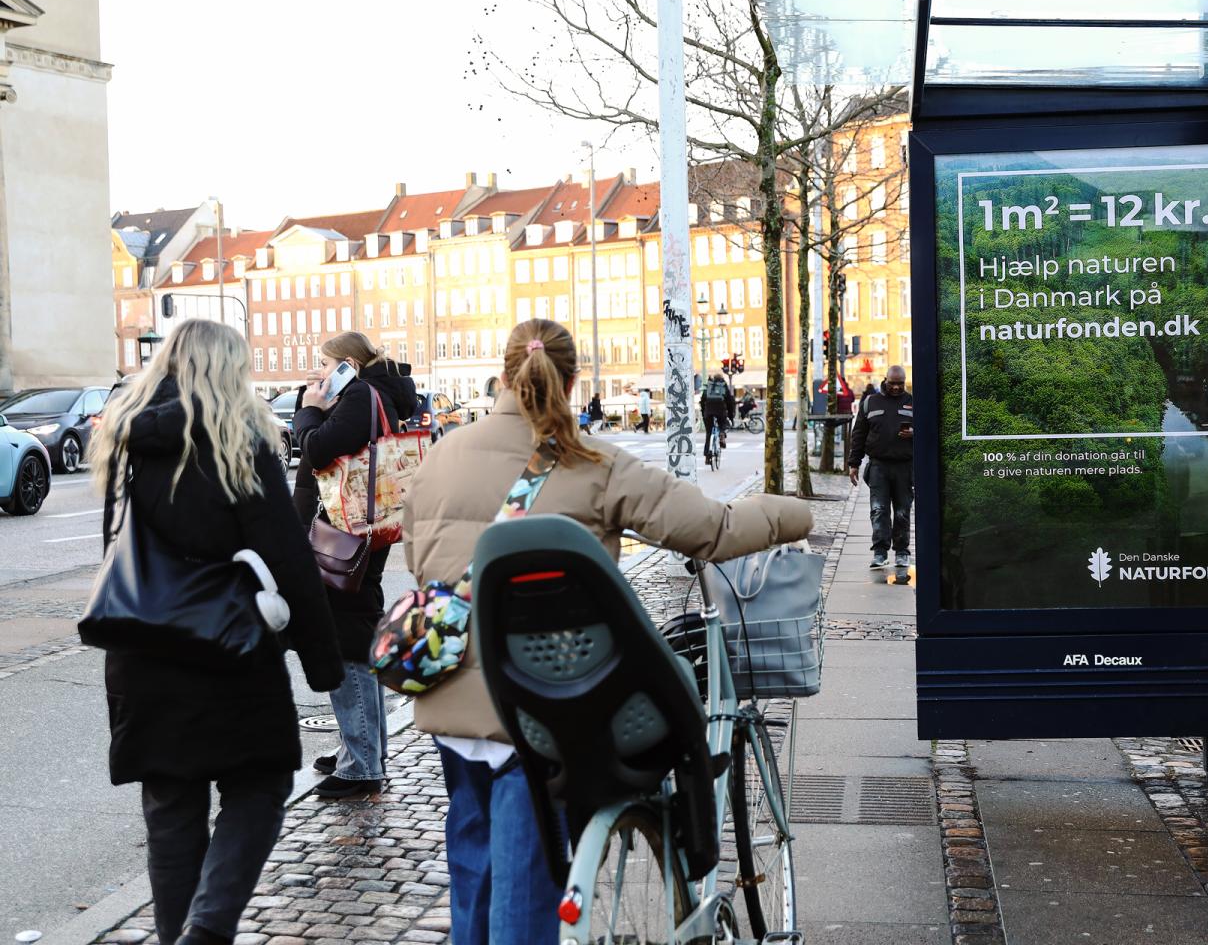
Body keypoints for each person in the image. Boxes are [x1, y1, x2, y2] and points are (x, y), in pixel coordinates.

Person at [403, 319, 812, 945]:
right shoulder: (593, 463)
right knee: (526, 898)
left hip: (453, 707)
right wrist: (793, 514)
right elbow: (712, 529)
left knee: (475, 878)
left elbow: (419, 560)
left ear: (504, 376)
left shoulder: (441, 456)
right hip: (544, 709)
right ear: (569, 382)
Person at [91, 319, 343, 945]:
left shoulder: (125, 439)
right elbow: (287, 559)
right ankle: (206, 930)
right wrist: (322, 662)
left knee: (172, 809)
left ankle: (185, 935)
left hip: (142, 648)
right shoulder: (240, 439)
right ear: (233, 369)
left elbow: (118, 546)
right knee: (260, 784)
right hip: (229, 649)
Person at [292, 331, 418, 799]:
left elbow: (318, 449)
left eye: (325, 365)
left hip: (348, 531)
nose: (320, 373)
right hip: (363, 527)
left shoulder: (360, 394)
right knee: (355, 634)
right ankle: (360, 748)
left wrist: (309, 412)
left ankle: (362, 761)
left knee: (345, 639)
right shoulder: (376, 393)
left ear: (347, 364)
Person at [848, 365, 914, 569]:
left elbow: (929, 430)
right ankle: (880, 552)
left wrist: (914, 433)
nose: (896, 387)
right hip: (878, 466)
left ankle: (902, 552)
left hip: (905, 466)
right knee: (878, 510)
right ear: (885, 380)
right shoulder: (870, 402)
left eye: (900, 384)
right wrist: (854, 464)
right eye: (892, 383)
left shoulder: (912, 402)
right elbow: (859, 433)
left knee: (903, 511)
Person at [701, 373, 735, 463]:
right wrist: (731, 417)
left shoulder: (709, 386)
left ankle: (707, 456)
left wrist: (704, 413)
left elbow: (702, 401)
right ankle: (722, 434)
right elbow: (730, 403)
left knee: (709, 433)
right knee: (722, 423)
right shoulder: (723, 386)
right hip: (720, 410)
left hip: (708, 411)